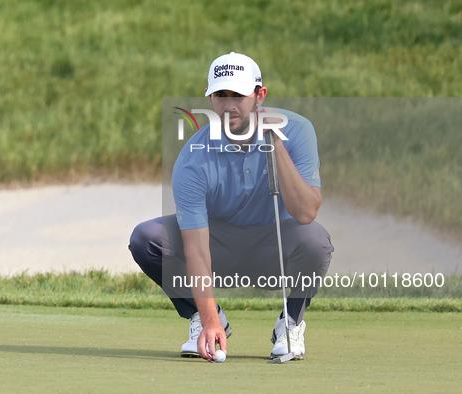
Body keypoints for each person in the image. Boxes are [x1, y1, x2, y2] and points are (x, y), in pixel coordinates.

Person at [129, 52, 333, 361]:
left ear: (259, 95)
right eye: (221, 95)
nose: (229, 105)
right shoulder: (193, 157)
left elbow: (306, 212)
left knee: (316, 240)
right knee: (146, 238)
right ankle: (204, 321)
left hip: (273, 244)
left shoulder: (298, 131)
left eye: (238, 95)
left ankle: (290, 325)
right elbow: (196, 248)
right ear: (210, 98)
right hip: (217, 245)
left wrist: (275, 143)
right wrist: (210, 317)